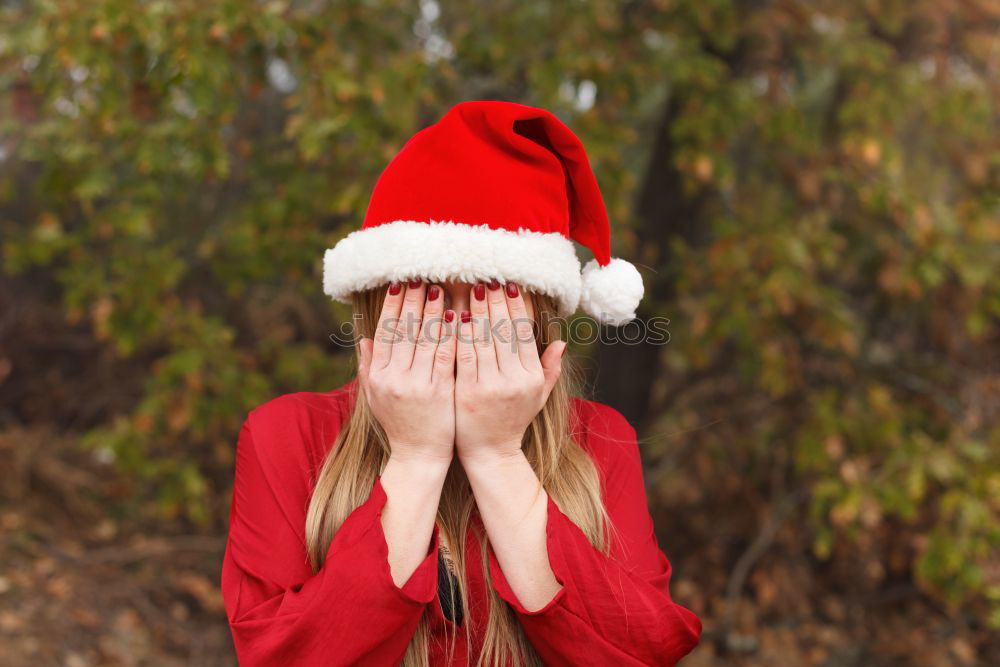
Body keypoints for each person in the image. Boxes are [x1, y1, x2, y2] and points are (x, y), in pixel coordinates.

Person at [220, 100, 702, 666]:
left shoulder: (598, 441)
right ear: (377, 306)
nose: (456, 331)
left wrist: (498, 457)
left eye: (487, 299)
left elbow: (642, 653)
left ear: (541, 318)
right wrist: (417, 457)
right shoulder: (287, 435)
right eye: (424, 298)